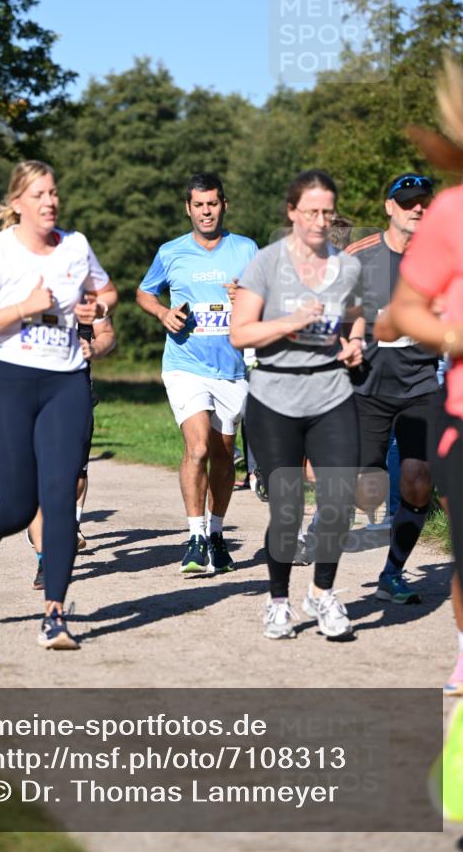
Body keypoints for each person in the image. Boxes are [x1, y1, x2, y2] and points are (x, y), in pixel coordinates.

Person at [0, 159, 117, 649]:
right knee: (21, 504)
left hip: (64, 382)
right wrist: (25, 307)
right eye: (40, 194)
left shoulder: (76, 245)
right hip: (4, 384)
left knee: (61, 495)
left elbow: (105, 289)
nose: (50, 202)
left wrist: (98, 307)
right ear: (18, 203)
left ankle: (55, 614)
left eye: (54, 193)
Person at [230, 169, 365, 640]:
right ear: (292, 212)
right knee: (286, 509)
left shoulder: (346, 266)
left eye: (328, 212)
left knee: (339, 499)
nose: (320, 221)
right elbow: (240, 332)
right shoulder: (266, 265)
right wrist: (287, 323)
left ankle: (322, 593)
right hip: (275, 396)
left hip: (331, 392)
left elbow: (355, 312)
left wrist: (355, 342)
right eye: (311, 211)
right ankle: (278, 602)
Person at [136, 172, 258, 575]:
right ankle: (194, 537)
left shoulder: (246, 249)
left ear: (224, 205)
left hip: (232, 367)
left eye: (213, 204)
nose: (206, 212)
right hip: (185, 364)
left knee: (224, 454)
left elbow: (267, 298)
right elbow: (144, 292)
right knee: (200, 446)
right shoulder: (171, 252)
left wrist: (246, 298)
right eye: (199, 205)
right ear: (188, 208)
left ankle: (218, 535)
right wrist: (162, 313)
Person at [347, 174, 439, 604]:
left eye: (423, 201)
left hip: (421, 384)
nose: (417, 208)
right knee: (365, 484)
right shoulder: (359, 257)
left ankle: (393, 572)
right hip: (367, 387)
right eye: (407, 202)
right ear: (389, 207)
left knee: (418, 481)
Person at [29, 310, 117, 591]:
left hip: (76, 397)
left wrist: (94, 347)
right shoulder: (21, 285)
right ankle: (47, 559)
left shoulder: (87, 293)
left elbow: (107, 334)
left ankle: (70, 524)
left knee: (74, 476)